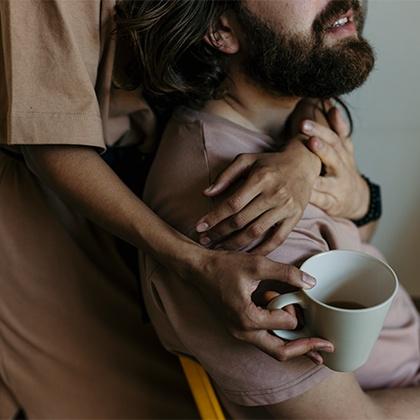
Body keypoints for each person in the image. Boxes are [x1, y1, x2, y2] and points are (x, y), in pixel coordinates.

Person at [0, 0, 336, 417]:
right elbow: (52, 147)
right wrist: (195, 263)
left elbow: (293, 55)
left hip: (162, 167)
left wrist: (302, 157)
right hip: (61, 200)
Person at [125, 0, 420, 418]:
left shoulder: (295, 124)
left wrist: (336, 180)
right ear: (221, 31)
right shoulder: (247, 223)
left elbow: (353, 237)